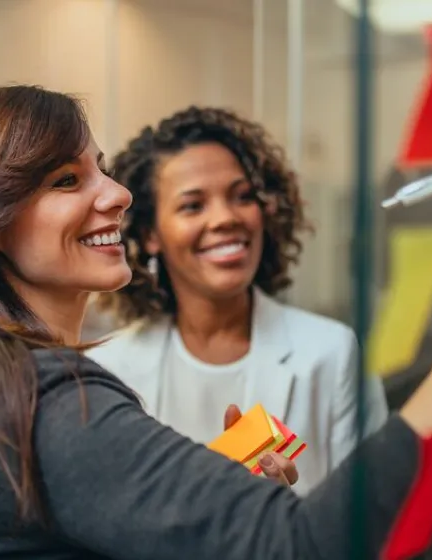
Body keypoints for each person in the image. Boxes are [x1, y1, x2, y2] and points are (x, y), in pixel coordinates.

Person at [0, 85, 432, 560]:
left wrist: (211, 509)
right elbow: (299, 545)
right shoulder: (40, 398)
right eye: (65, 179)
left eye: (101, 170)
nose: (119, 193)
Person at [88, 106, 388, 494]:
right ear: (149, 234)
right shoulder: (109, 369)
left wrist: (279, 516)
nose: (226, 218)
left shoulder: (331, 353)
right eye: (193, 205)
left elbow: (378, 521)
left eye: (242, 196)